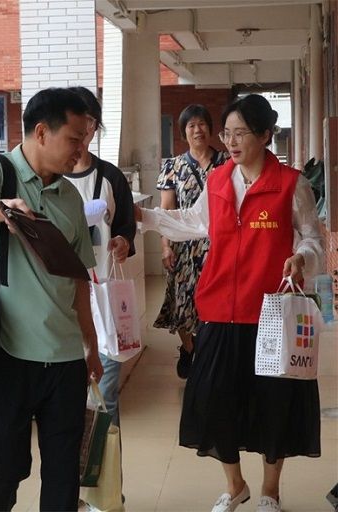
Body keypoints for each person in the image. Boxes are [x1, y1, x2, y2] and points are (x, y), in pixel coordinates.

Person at [135, 94, 323, 512]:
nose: (232, 142)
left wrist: (301, 258)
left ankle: (270, 492)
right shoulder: (219, 180)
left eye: (241, 133)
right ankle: (235, 485)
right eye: (227, 133)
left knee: (274, 403)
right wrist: (145, 218)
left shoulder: (291, 184)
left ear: (265, 135)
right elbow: (193, 222)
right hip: (219, 310)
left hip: (271, 312)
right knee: (215, 400)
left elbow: (313, 239)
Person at [0, 87, 104, 512]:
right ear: (41, 132)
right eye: (74, 139)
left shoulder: (71, 197)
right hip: (7, 356)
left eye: (85, 140)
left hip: (65, 360)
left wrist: (91, 345)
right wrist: (6, 209)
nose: (80, 151)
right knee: (2, 473)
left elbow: (79, 279)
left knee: (63, 475)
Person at [64, 86, 136, 428]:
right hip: (60, 304)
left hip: (103, 302)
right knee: (67, 400)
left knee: (106, 397)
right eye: (76, 121)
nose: (83, 130)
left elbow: (126, 227)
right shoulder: (46, 179)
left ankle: (105, 460)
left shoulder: (111, 177)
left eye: (90, 121)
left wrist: (123, 242)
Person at [153, 104, 226, 379]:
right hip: (183, 246)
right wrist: (165, 246)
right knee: (183, 300)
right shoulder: (173, 167)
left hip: (219, 245)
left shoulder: (227, 163)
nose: (198, 130)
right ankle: (188, 346)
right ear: (184, 132)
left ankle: (210, 351)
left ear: (211, 128)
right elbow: (167, 211)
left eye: (202, 124)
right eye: (191, 125)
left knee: (216, 300)